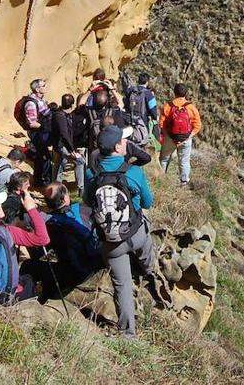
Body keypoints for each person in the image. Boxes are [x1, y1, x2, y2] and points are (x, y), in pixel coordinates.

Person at [84, 125, 157, 338]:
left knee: (122, 286)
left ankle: (128, 333)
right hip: (135, 234)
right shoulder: (134, 171)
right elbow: (148, 202)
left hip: (110, 242)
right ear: (117, 147)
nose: (127, 142)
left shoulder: (91, 174)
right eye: (124, 140)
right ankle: (148, 269)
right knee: (146, 237)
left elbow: (88, 202)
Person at [0, 186, 50, 303]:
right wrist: (31, 209)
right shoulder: (8, 232)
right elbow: (43, 239)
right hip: (9, 295)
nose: (2, 206)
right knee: (29, 278)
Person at [38, 181, 103, 291]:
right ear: (64, 199)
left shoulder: (48, 223)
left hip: (69, 269)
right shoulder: (82, 211)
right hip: (92, 265)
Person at [158, 83, 201, 186]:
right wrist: (189, 136)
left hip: (170, 137)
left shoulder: (168, 106)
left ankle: (161, 179)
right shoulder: (191, 108)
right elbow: (197, 125)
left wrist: (166, 135)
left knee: (164, 158)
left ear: (174, 92)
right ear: (186, 93)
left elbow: (161, 123)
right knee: (184, 161)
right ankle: (184, 182)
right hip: (186, 138)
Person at [18, 79, 53, 186]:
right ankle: (42, 181)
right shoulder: (31, 103)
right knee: (43, 156)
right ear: (37, 89)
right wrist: (46, 127)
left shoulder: (40, 100)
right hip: (37, 133)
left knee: (41, 155)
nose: (45, 87)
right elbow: (31, 123)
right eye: (43, 85)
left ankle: (40, 180)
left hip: (41, 132)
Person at [50, 93, 79, 186]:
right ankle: (80, 188)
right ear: (72, 104)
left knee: (59, 165)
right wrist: (71, 150)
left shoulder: (60, 114)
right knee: (80, 162)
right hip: (61, 145)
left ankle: (56, 185)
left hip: (59, 145)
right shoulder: (61, 116)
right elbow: (64, 134)